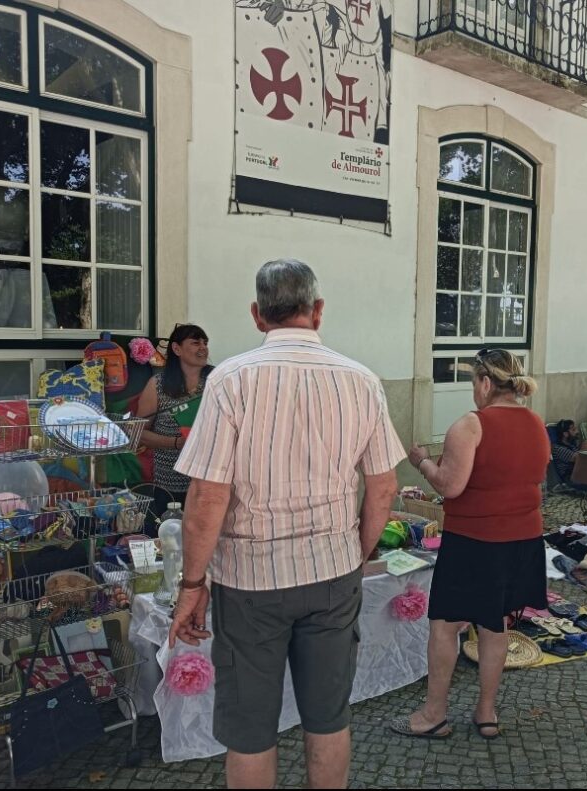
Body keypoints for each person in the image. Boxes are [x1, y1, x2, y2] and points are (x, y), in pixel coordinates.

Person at [168, 260, 405, 790]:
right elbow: (384, 487)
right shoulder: (361, 381)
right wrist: (358, 556)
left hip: (251, 581)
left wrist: (191, 584)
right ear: (318, 312)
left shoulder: (230, 380)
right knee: (328, 716)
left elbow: (207, 496)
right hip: (333, 572)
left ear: (258, 315)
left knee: (251, 727)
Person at [392, 349, 549, 742]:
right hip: (522, 539)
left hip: (476, 540)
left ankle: (433, 714)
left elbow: (450, 485)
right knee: (494, 627)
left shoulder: (471, 425)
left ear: (483, 383)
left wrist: (422, 462)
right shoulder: (535, 423)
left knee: (445, 626)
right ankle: (486, 713)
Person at [136, 324, 214, 514]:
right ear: (177, 348)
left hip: (210, 480)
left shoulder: (217, 380)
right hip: (170, 484)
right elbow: (137, 432)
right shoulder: (158, 385)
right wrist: (177, 443)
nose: (203, 347)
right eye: (195, 343)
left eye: (205, 343)